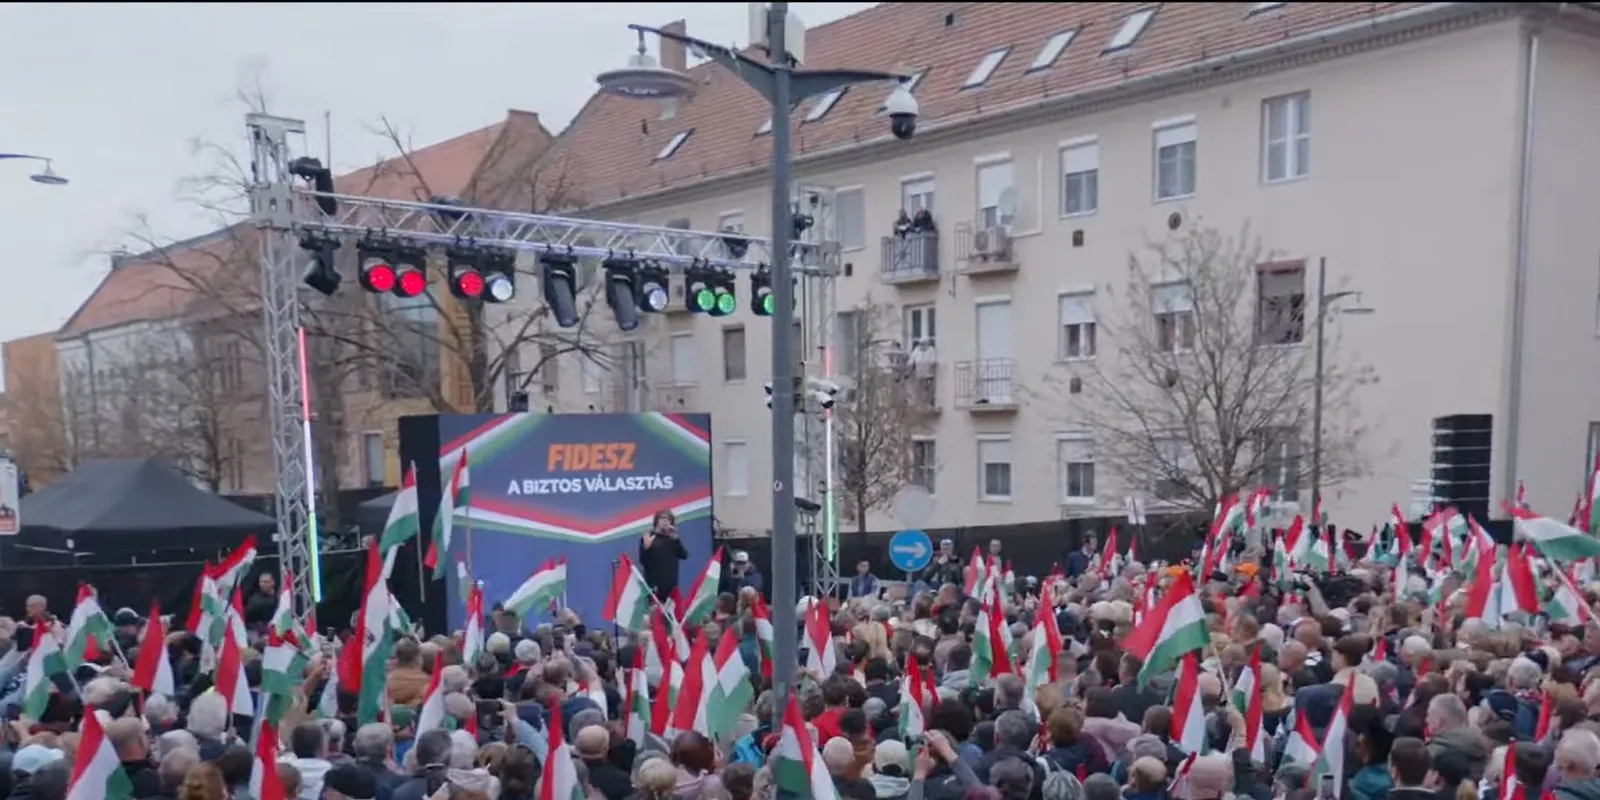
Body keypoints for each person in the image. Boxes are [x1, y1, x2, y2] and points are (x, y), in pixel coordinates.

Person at [639, 509, 688, 602]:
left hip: (671, 587)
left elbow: (684, 555)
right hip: (654, 586)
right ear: (657, 520)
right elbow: (643, 561)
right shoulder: (649, 536)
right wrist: (646, 548)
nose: (665, 521)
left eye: (669, 519)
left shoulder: (672, 538)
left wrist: (677, 540)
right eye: (663, 518)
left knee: (670, 615)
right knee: (655, 614)